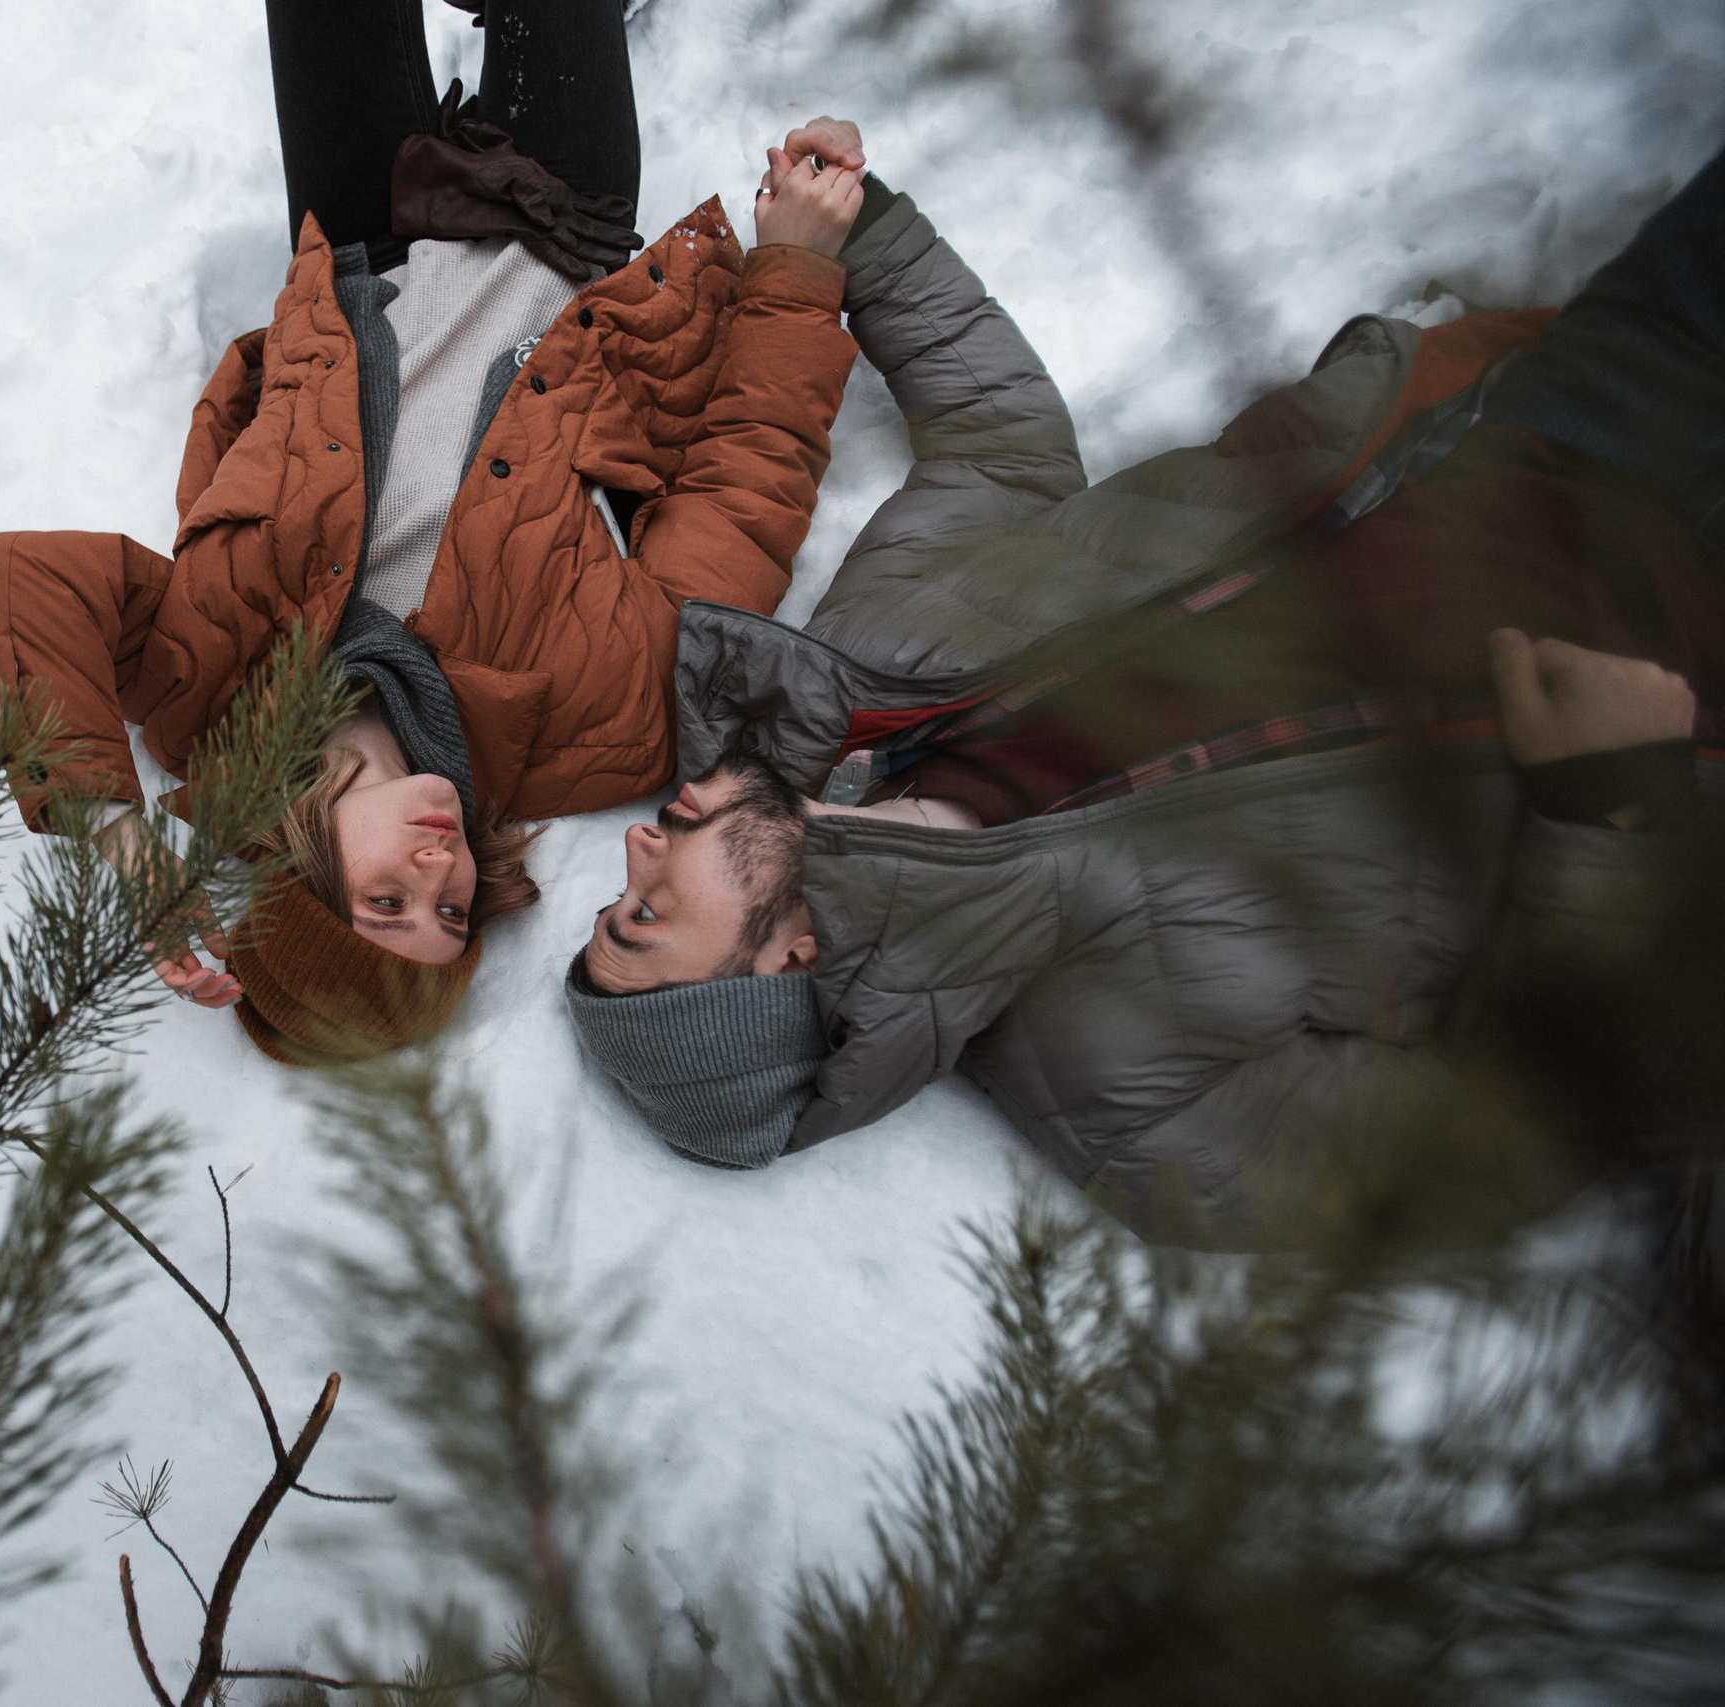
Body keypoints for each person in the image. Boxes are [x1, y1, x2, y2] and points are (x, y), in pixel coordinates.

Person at [568, 130, 1724, 1246]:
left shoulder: (873, 675)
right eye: (645, 923)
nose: (633, 858)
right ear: (785, 968)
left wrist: (867, 244)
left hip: (1542, 430)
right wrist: (1610, 811)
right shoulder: (1132, 1116)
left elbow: (999, 451)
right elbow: (1502, 1143)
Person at [0, 0, 870, 1065]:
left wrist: (109, 832)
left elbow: (4, 578)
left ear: (300, 866)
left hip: (357, 232)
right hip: (562, 232)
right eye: (454, 917)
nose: (440, 876)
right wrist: (799, 267)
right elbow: (742, 490)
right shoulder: (596, 725)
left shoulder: (198, 686)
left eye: (388, 899)